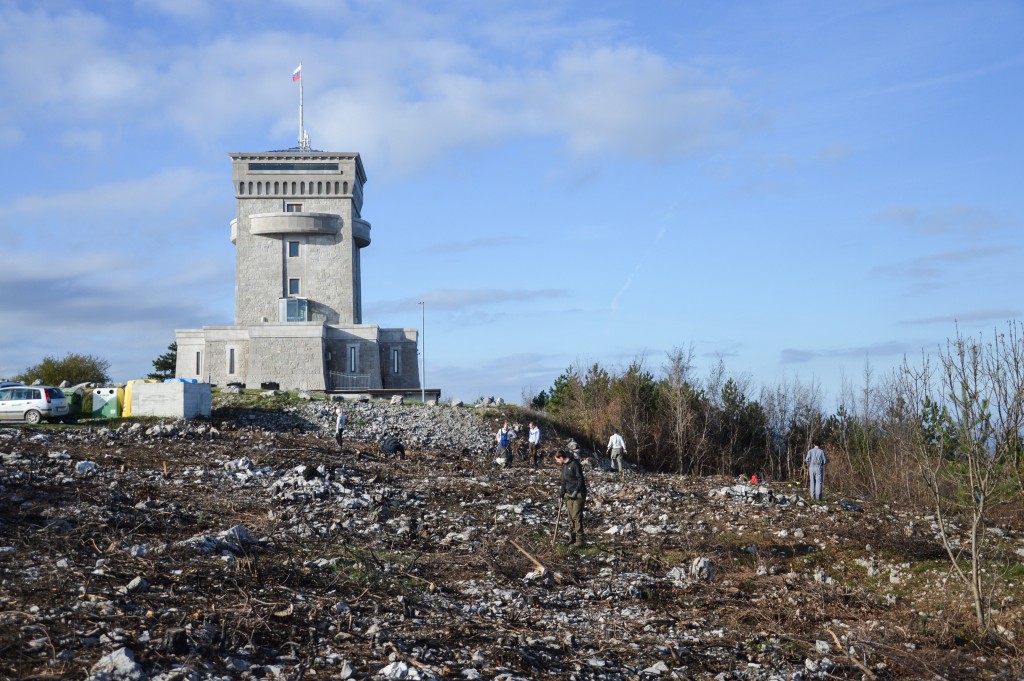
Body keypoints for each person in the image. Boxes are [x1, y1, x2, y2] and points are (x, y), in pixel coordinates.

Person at [554, 450, 587, 546]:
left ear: (561, 457)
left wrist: (576, 491)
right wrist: (561, 495)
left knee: (576, 516)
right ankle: (571, 537)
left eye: (557, 460)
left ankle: (580, 540)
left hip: (579, 494)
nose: (557, 462)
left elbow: (580, 479)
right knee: (570, 516)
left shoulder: (575, 464)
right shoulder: (564, 467)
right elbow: (564, 483)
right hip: (569, 495)